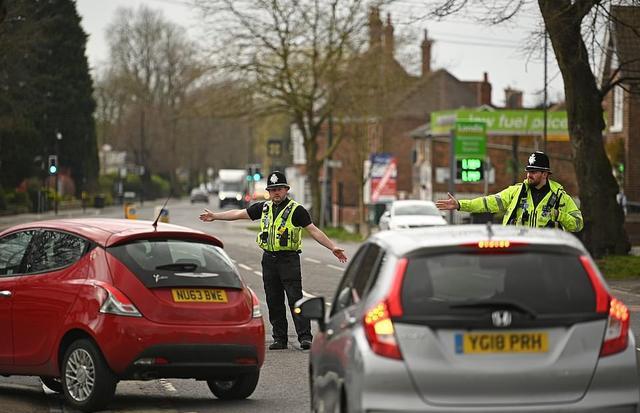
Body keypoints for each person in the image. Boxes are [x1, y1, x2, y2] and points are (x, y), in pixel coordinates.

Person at [199, 171, 348, 351]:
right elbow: (239, 213)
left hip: (288, 260)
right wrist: (215, 216)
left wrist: (332, 247)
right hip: (269, 260)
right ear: (268, 192)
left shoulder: (296, 210)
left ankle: (305, 337)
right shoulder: (263, 208)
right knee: (273, 300)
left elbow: (313, 230)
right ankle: (280, 338)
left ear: (286, 190)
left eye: (279, 189)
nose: (276, 192)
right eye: (272, 189)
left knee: (295, 299)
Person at [435, 151, 583, 232]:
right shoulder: (516, 192)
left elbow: (577, 224)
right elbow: (488, 202)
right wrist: (460, 204)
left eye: (534, 172)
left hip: (546, 256)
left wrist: (560, 215)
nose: (529, 175)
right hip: (519, 254)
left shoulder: (559, 197)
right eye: (528, 171)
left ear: (545, 174)